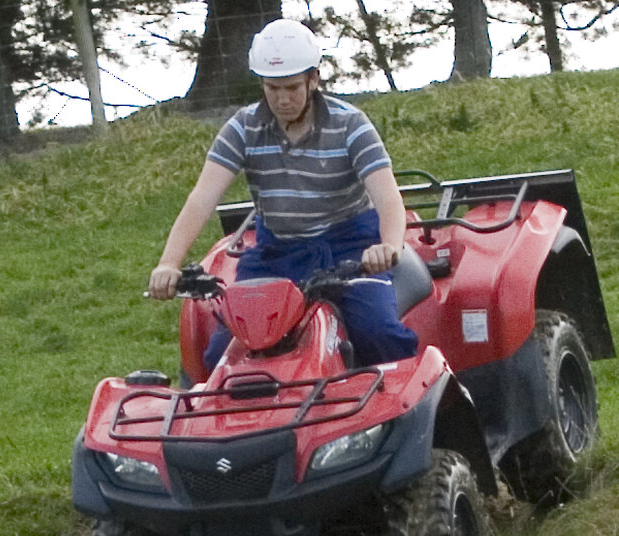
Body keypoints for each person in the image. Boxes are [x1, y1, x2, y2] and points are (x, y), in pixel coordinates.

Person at [144, 19, 422, 367]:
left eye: (292, 87)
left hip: (350, 246)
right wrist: (169, 264)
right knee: (223, 356)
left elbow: (388, 197)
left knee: (378, 333)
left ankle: (401, 394)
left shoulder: (351, 124)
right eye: (272, 88)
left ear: (314, 79)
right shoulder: (243, 127)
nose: (282, 99)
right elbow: (202, 198)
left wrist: (388, 247)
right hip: (276, 253)